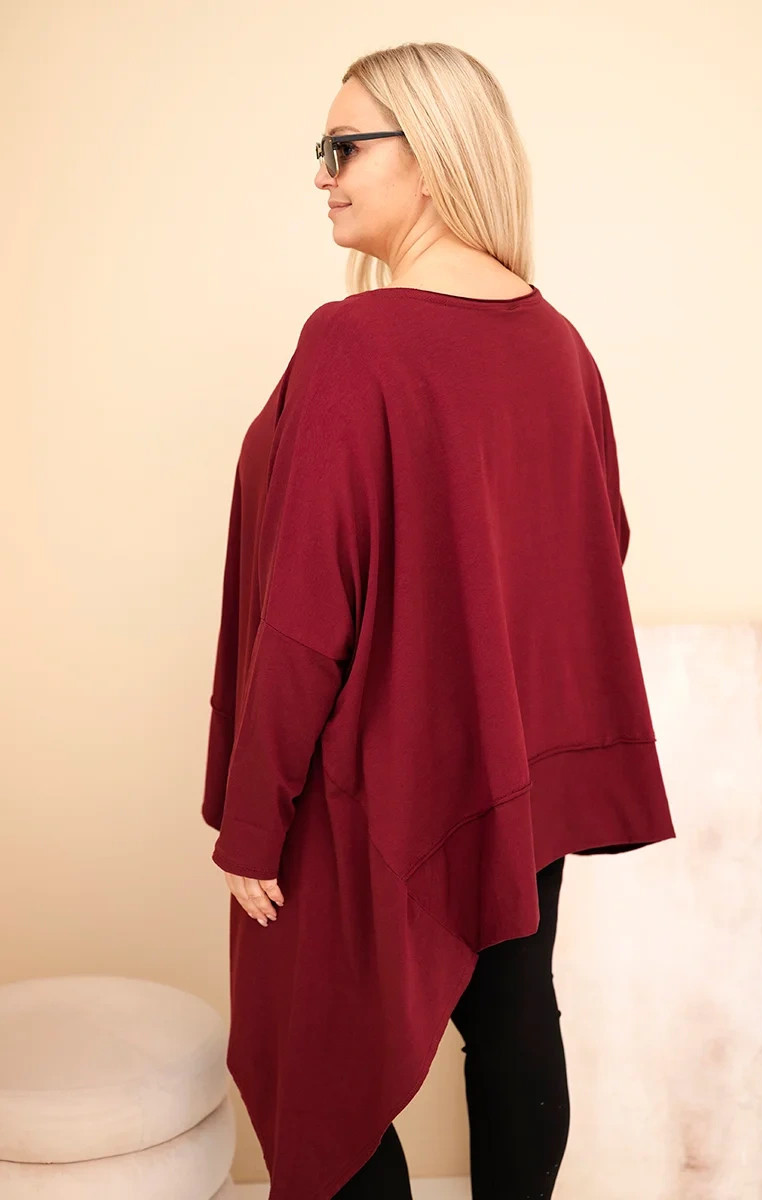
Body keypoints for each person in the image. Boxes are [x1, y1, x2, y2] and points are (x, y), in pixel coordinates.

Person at [201, 41, 676, 1200]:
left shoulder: (354, 342)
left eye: (342, 147)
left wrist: (256, 821)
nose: (321, 174)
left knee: (315, 1063)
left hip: (377, 783)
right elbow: (595, 551)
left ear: (428, 155)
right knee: (512, 1026)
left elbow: (306, 610)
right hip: (514, 774)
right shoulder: (556, 343)